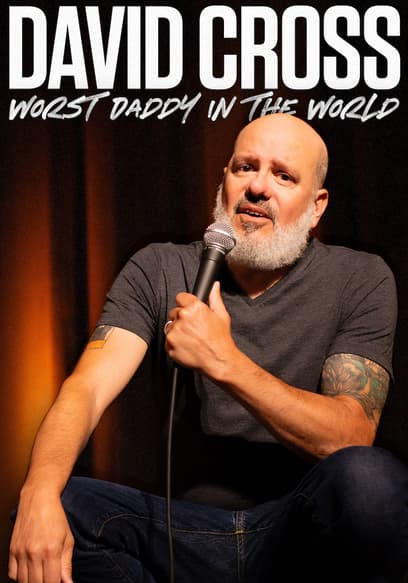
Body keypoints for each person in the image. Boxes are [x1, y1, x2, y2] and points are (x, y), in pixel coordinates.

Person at [8, 113, 408, 583]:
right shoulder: (160, 267)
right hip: (188, 533)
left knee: (370, 482)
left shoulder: (359, 278)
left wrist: (226, 363)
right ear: (224, 181)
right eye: (245, 167)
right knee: (59, 505)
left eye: (283, 176)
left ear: (317, 206)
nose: (257, 187)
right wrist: (38, 492)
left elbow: (349, 436)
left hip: (296, 530)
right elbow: (87, 389)